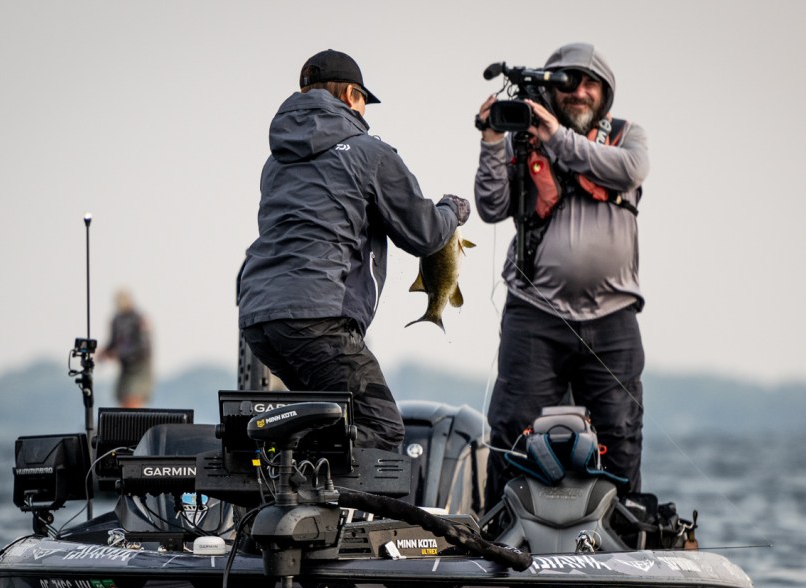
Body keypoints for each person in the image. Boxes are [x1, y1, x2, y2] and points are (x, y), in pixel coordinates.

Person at [237, 48, 470, 452]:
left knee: (330, 422)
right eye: (364, 102)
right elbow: (425, 234)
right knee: (381, 428)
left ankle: (295, 480)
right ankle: (304, 483)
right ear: (350, 95)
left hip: (260, 320)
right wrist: (452, 210)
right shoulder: (369, 153)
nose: (365, 115)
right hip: (318, 319)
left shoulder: (275, 164)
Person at [474, 42, 650, 510]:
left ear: (605, 93)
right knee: (511, 426)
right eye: (569, 82)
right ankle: (496, 528)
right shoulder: (525, 141)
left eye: (591, 84)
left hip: (613, 316)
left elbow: (630, 171)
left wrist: (555, 137)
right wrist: (491, 141)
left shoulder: (627, 137)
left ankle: (621, 528)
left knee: (619, 431)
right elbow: (491, 206)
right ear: (550, 90)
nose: (580, 92)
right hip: (535, 313)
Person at [98, 288, 154, 408]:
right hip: (125, 367)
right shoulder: (116, 320)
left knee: (133, 398)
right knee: (122, 398)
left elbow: (143, 347)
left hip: (139, 366)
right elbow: (113, 342)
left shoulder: (138, 319)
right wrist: (104, 353)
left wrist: (119, 353)